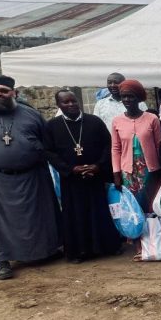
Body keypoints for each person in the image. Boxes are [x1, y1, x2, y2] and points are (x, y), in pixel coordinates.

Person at [0, 75, 62, 280]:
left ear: (13, 93)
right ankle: (1, 260)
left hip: (32, 175)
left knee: (37, 215)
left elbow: (44, 139)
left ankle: (42, 252)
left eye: (3, 90)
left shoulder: (31, 115)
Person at [44, 90, 121, 263]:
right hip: (71, 179)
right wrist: (70, 169)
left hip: (95, 176)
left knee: (99, 212)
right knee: (75, 215)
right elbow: (48, 152)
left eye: (73, 101)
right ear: (58, 105)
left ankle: (106, 247)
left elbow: (108, 145)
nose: (71, 104)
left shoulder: (94, 121)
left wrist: (98, 166)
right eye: (66, 102)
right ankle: (79, 251)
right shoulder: (52, 126)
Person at [111, 79, 161, 221]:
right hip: (127, 170)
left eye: (131, 96)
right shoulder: (117, 121)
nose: (127, 99)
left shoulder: (152, 119)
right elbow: (115, 148)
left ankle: (153, 230)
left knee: (150, 201)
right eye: (124, 96)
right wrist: (116, 174)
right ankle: (137, 230)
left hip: (150, 169)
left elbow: (159, 145)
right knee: (132, 203)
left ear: (139, 97)